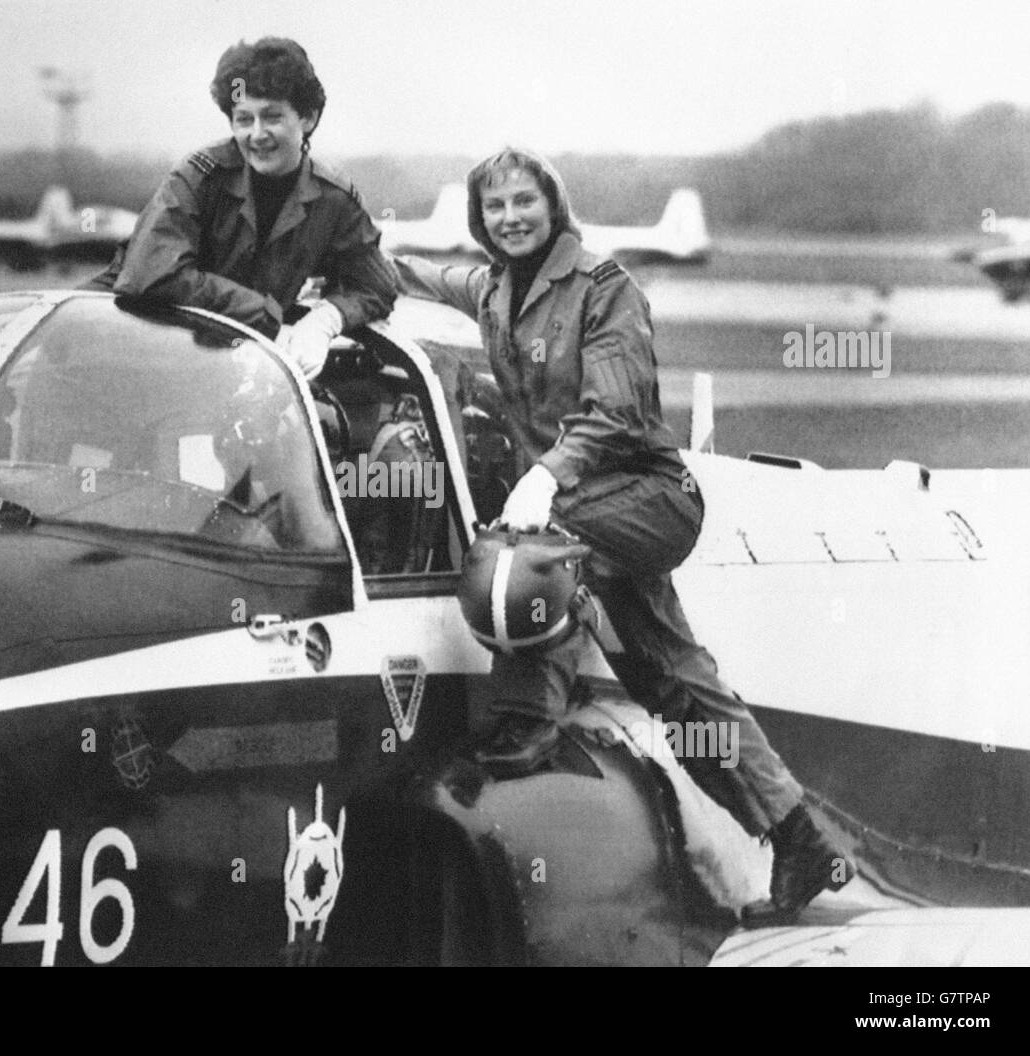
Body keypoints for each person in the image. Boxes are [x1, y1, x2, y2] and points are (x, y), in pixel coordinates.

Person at [389, 147, 855, 925]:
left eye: (524, 202)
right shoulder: (496, 290)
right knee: (672, 680)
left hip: (646, 496)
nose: (510, 217)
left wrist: (545, 477)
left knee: (522, 561)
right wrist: (350, 273)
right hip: (589, 507)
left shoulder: (605, 289)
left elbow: (612, 413)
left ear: (553, 205)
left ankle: (524, 725)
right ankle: (797, 837)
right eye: (495, 207)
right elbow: (422, 276)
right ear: (481, 219)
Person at [84, 37, 396, 378]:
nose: (257, 134)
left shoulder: (334, 199)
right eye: (243, 119)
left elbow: (376, 286)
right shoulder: (199, 177)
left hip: (220, 363)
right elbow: (151, 275)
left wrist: (325, 320)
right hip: (113, 347)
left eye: (272, 117)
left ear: (308, 117)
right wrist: (264, 317)